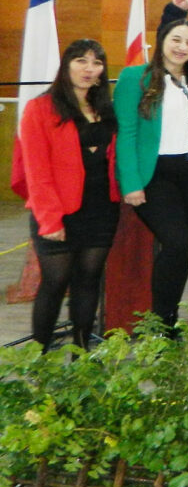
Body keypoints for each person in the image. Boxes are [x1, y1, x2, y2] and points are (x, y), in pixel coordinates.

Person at [14, 39, 119, 349]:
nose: (89, 69)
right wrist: (50, 220)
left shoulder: (105, 108)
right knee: (55, 283)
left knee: (89, 281)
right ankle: (41, 358)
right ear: (66, 65)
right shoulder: (40, 108)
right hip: (57, 212)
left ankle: (82, 354)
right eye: (81, 61)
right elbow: (37, 172)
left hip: (100, 209)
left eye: (96, 63)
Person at [114, 19, 188, 327]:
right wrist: (131, 183)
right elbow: (126, 133)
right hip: (157, 174)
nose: (182, 47)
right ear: (161, 41)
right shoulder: (135, 77)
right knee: (174, 243)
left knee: (181, 247)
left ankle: (169, 320)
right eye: (176, 39)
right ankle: (159, 323)